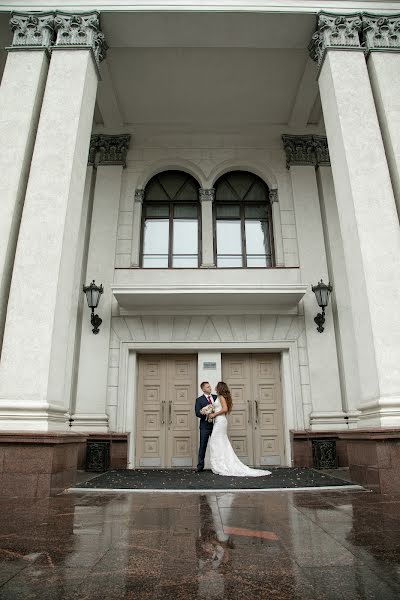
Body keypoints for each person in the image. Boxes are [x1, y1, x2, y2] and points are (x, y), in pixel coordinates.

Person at [208, 381, 271, 477]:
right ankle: (221, 463)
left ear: (220, 388)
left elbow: (224, 409)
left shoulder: (221, 397)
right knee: (221, 442)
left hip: (220, 421)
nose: (215, 388)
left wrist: (214, 414)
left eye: (216, 387)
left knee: (215, 442)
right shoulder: (222, 397)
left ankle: (221, 465)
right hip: (220, 421)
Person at [195, 381, 217, 472]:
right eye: (208, 387)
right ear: (203, 389)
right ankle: (200, 467)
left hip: (216, 425)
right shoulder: (199, 400)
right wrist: (206, 413)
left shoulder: (216, 398)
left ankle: (217, 466)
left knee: (216, 446)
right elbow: (197, 413)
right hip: (205, 426)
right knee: (203, 446)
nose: (210, 388)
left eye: (210, 386)